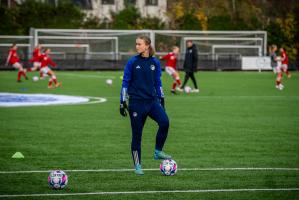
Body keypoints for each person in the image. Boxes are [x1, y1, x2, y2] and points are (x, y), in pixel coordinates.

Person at [119, 35, 171, 175]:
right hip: (136, 104)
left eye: (139, 44)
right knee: (137, 136)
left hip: (152, 102)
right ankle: (137, 165)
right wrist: (122, 101)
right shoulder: (132, 62)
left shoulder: (155, 62)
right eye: (136, 44)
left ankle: (158, 151)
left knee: (165, 122)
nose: (137, 46)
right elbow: (125, 82)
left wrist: (161, 97)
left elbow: (158, 82)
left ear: (147, 45)